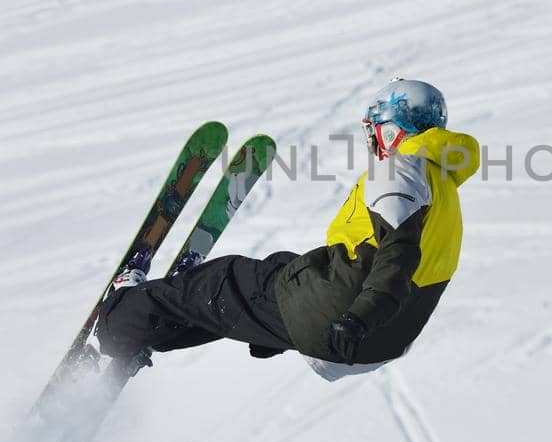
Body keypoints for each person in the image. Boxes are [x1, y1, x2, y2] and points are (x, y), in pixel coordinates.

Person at [94, 78, 479, 380]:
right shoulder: (445, 190)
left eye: (375, 129)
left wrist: (357, 317)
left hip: (345, 319)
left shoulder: (400, 170)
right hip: (380, 340)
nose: (373, 141)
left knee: (219, 280)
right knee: (260, 284)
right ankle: (158, 329)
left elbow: (398, 258)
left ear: (393, 130)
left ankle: (118, 321)